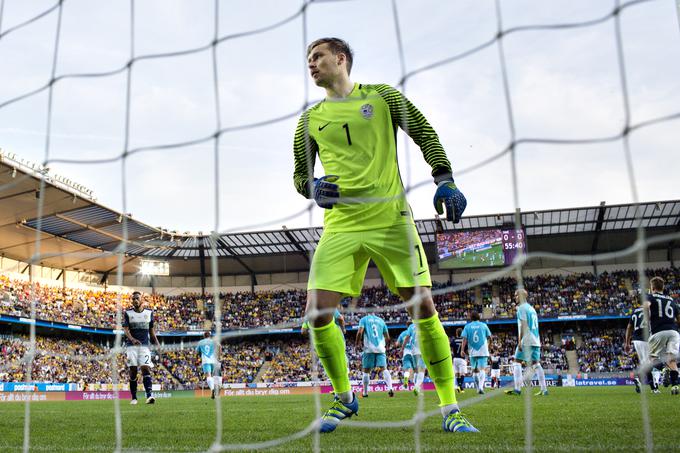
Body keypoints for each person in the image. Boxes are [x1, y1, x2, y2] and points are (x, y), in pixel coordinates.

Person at [293, 37, 475, 433]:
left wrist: (444, 179)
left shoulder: (382, 97)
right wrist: (313, 188)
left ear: (340, 59)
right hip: (341, 224)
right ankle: (344, 398)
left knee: (423, 307)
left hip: (391, 218)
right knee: (317, 311)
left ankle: (450, 409)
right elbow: (299, 177)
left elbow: (425, 133)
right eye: (308, 58)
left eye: (317, 56)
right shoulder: (309, 119)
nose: (311, 63)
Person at [505, 289, 548, 397]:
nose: (515, 297)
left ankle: (517, 389)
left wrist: (519, 341)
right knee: (536, 364)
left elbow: (524, 325)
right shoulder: (531, 308)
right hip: (535, 339)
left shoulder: (521, 308)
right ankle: (544, 389)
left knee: (516, 362)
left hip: (527, 339)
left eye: (516, 295)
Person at [642, 277, 680, 394]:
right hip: (673, 332)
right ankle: (675, 385)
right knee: (672, 360)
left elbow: (646, 306)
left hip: (658, 331)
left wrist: (647, 320)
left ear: (652, 287)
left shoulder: (650, 296)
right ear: (663, 287)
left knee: (651, 360)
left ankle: (654, 388)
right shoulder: (671, 300)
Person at [123, 291, 160, 405]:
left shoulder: (149, 313)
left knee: (145, 368)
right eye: (133, 298)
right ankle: (134, 398)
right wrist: (132, 339)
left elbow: (151, 332)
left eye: (137, 298)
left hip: (144, 346)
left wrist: (157, 344)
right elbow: (126, 330)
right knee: (133, 371)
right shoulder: (128, 313)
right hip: (131, 346)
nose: (135, 300)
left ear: (142, 299)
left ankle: (149, 396)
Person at [624, 297, 658, 393]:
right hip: (647, 338)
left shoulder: (635, 312)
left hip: (636, 340)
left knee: (645, 362)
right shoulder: (649, 310)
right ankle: (653, 387)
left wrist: (627, 342)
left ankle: (649, 384)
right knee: (652, 361)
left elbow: (629, 328)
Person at [356, 313, 393, 398]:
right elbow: (388, 337)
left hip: (369, 349)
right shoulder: (381, 321)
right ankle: (390, 388)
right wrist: (387, 346)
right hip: (380, 348)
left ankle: (365, 393)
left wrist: (357, 343)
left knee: (366, 371)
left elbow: (360, 332)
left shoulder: (364, 319)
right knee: (384, 368)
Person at [461, 312, 492, 394]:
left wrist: (462, 350)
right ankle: (481, 387)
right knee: (482, 369)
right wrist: (489, 346)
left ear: (471, 318)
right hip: (483, 349)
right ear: (479, 317)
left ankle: (478, 388)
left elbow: (464, 339)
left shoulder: (467, 326)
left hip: (472, 350)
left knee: (475, 370)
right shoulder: (484, 325)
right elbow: (490, 337)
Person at [402, 321, 426, 395]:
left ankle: (415, 387)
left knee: (415, 371)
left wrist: (402, 348)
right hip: (422, 350)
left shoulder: (411, 327)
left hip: (413, 352)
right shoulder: (423, 325)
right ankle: (416, 387)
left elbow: (406, 338)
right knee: (421, 371)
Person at [197, 331, 222, 399]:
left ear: (204, 336)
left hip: (206, 361)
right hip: (214, 361)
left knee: (208, 375)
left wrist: (200, 356)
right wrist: (219, 356)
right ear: (210, 336)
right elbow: (220, 346)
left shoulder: (200, 342)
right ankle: (217, 389)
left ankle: (212, 389)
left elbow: (198, 351)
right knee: (214, 376)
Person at [396, 321, 415, 390]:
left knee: (406, 369)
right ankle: (416, 386)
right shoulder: (415, 331)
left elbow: (397, 344)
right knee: (415, 370)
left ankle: (406, 382)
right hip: (414, 352)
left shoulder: (403, 333)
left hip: (406, 353)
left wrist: (400, 346)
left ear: (407, 326)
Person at [451, 328, 467, 393]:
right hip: (461, 358)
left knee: (457, 373)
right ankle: (460, 387)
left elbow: (451, 347)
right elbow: (466, 349)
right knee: (462, 373)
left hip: (455, 359)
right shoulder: (464, 340)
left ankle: (458, 386)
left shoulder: (454, 340)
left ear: (456, 333)